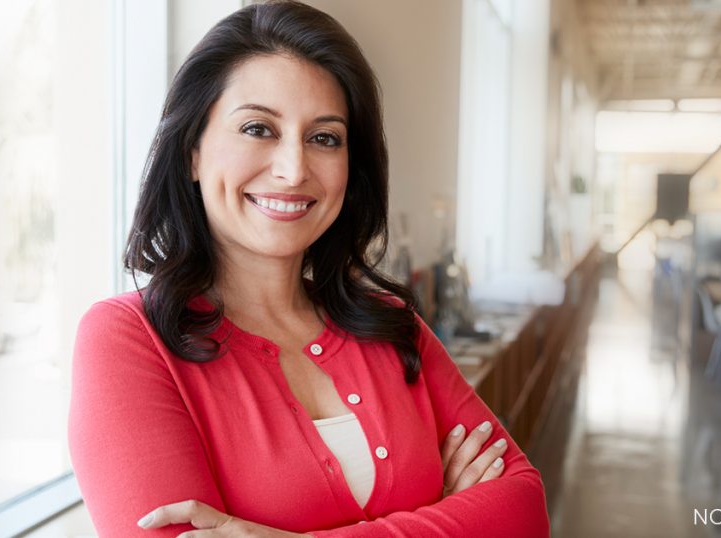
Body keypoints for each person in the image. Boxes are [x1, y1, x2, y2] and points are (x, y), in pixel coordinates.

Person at [67, 1, 550, 536]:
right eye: (258, 128)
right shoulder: (128, 340)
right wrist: (448, 516)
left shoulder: (392, 325)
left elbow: (524, 510)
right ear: (192, 152)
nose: (294, 169)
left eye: (324, 138)